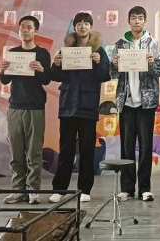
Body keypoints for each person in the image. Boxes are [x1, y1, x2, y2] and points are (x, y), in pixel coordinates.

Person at [49, 12, 110, 203]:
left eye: (86, 23)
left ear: (90, 27)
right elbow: (56, 76)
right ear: (74, 27)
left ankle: (85, 190)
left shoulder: (99, 50)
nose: (83, 26)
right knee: (66, 150)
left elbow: (105, 76)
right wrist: (56, 65)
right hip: (68, 106)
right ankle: (59, 189)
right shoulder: (66, 49)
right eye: (79, 23)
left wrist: (99, 63)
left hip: (88, 107)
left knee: (86, 151)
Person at [110, 6, 160, 202]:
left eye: (140, 18)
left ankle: (144, 188)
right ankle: (127, 188)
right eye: (133, 18)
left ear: (145, 21)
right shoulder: (120, 44)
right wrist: (115, 65)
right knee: (126, 147)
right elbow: (112, 73)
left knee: (145, 146)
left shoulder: (153, 43)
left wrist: (152, 63)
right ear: (128, 21)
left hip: (146, 102)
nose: (137, 21)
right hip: (126, 102)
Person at [0, 15, 51, 204]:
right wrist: (2, 70)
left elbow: (47, 80)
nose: (25, 30)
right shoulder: (13, 52)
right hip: (15, 107)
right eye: (22, 27)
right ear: (19, 30)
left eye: (29, 27)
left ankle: (33, 190)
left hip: (35, 107)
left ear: (35, 31)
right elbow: (5, 80)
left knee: (34, 152)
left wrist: (42, 70)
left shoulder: (42, 54)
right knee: (16, 152)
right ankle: (17, 190)